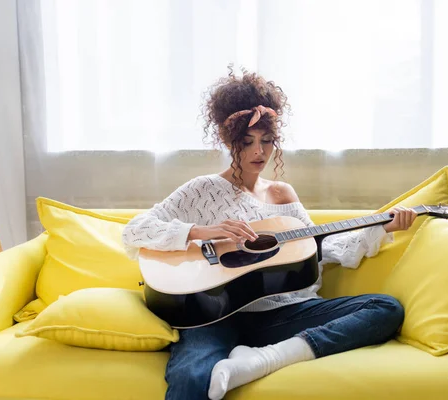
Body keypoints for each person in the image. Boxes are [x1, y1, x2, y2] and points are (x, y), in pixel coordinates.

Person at [122, 68, 417, 400]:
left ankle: (263, 360)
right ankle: (251, 359)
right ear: (227, 139)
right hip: (215, 316)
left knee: (386, 308)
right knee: (192, 377)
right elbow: (135, 231)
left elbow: (321, 247)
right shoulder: (203, 190)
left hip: (284, 315)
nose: (258, 153)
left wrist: (383, 226)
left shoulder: (282, 194)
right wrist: (202, 231)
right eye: (247, 143)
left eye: (267, 142)